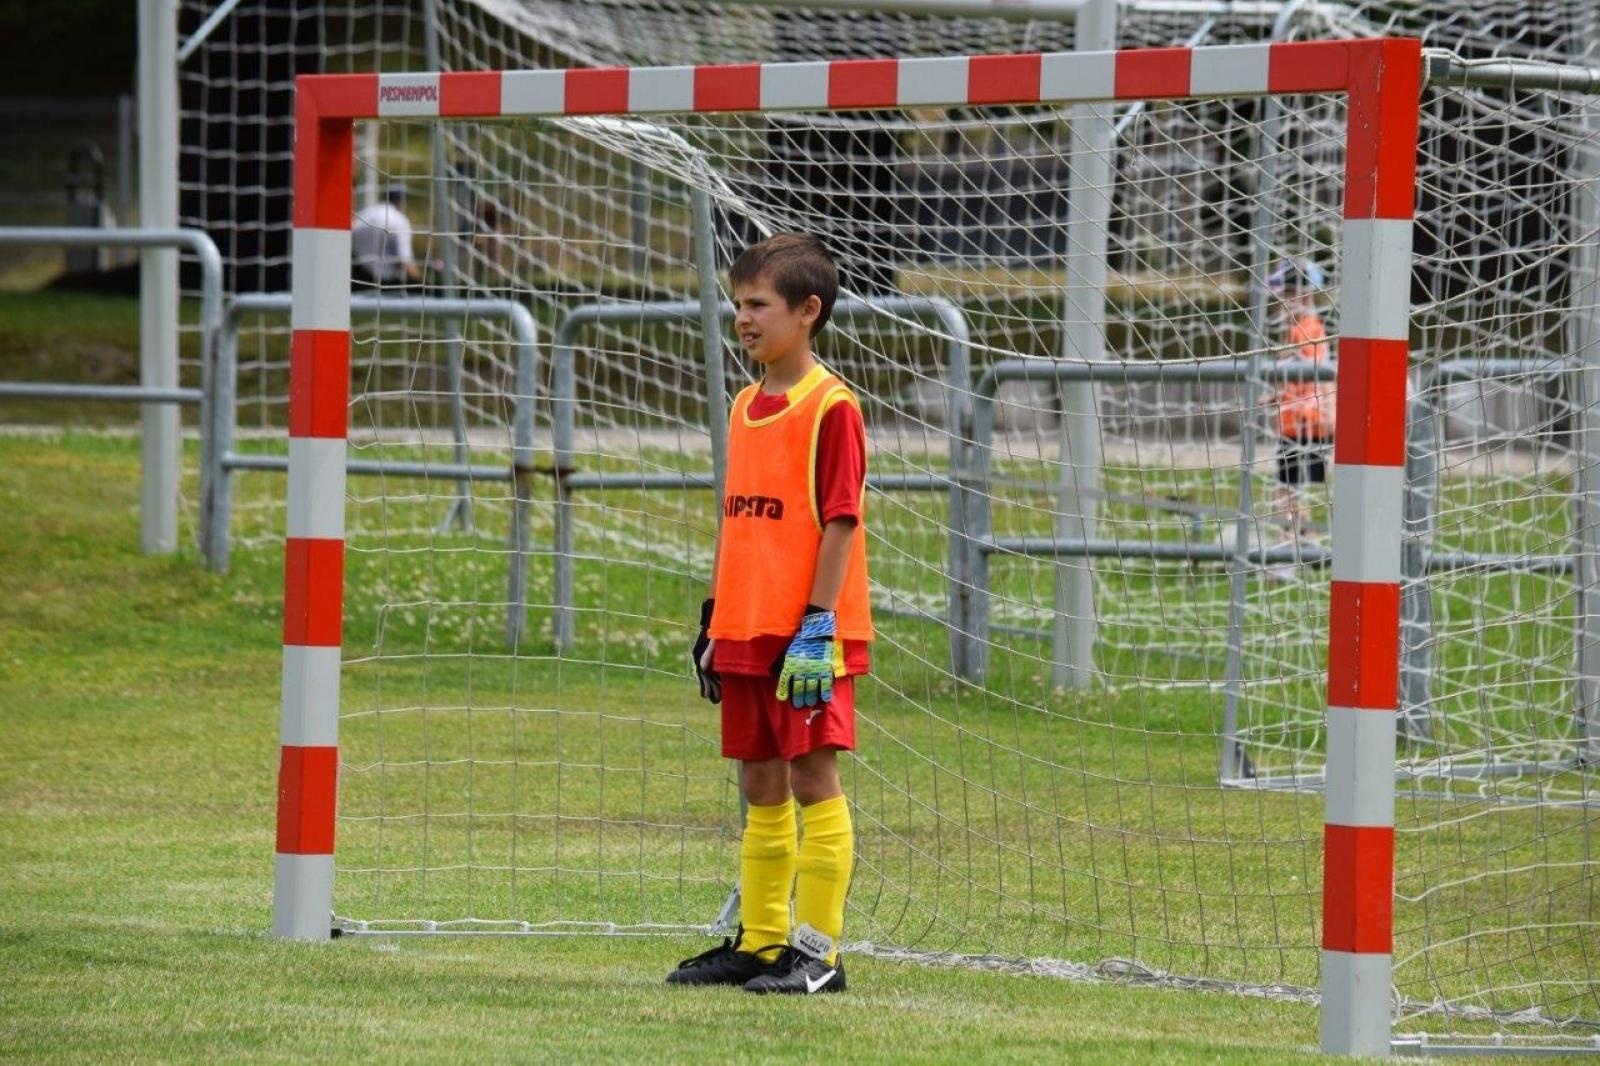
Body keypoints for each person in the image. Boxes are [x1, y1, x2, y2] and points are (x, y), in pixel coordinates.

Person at [668, 233, 871, 995]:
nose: (743, 320)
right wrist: (718, 616)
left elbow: (841, 523)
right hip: (748, 628)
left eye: (758, 306)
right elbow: (746, 520)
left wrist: (818, 627)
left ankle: (819, 953)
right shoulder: (746, 402)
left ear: (808, 311)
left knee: (813, 776)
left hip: (808, 634)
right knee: (758, 781)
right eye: (738, 305)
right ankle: (759, 943)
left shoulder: (833, 408)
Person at [1269, 257, 1334, 547]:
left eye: (1287, 295)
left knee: (1286, 493)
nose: (1282, 303)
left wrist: (1282, 374)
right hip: (1302, 421)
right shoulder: (1305, 327)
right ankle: (1307, 542)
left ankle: (1292, 548)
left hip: (1304, 423)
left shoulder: (1306, 328)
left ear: (1302, 295)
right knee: (1293, 492)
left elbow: (1308, 368)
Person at [351, 184, 421, 287]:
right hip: (385, 283)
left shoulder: (366, 213)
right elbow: (404, 259)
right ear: (402, 202)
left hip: (356, 277)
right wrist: (419, 280)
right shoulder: (400, 220)